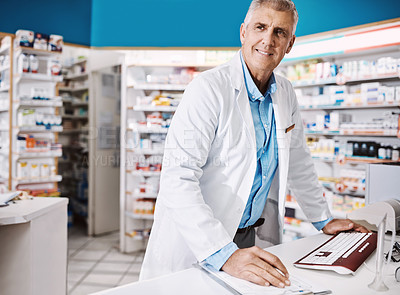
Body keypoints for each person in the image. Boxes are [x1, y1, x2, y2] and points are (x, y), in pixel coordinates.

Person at [139, 0, 368, 288]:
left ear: (290, 43)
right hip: (200, 242)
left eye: (280, 32)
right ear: (243, 32)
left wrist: (323, 219)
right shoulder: (208, 89)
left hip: (251, 237)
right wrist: (223, 253)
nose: (268, 40)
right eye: (260, 27)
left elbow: (298, 160)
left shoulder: (285, 92)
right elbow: (178, 178)